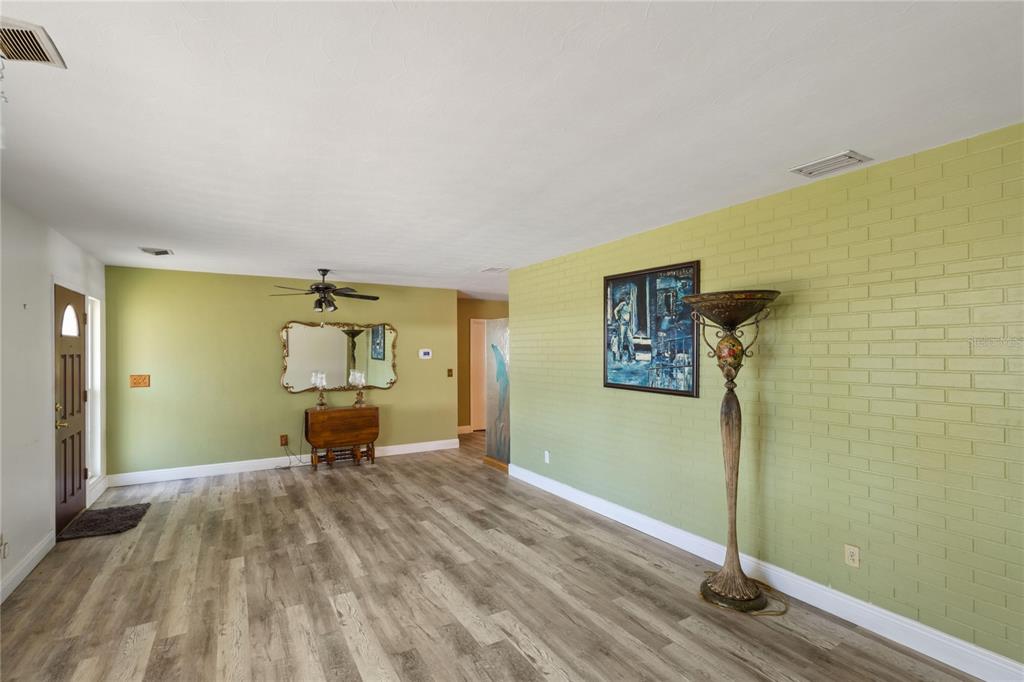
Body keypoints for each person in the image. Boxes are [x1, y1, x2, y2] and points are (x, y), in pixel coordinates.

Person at [613, 295, 635, 362]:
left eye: (629, 299)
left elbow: (630, 314)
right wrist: (617, 319)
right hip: (622, 325)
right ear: (625, 299)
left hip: (627, 325)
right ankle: (620, 356)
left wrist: (630, 323)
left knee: (630, 340)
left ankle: (632, 356)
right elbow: (615, 310)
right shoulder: (622, 304)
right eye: (627, 299)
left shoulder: (630, 305)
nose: (628, 300)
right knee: (621, 340)